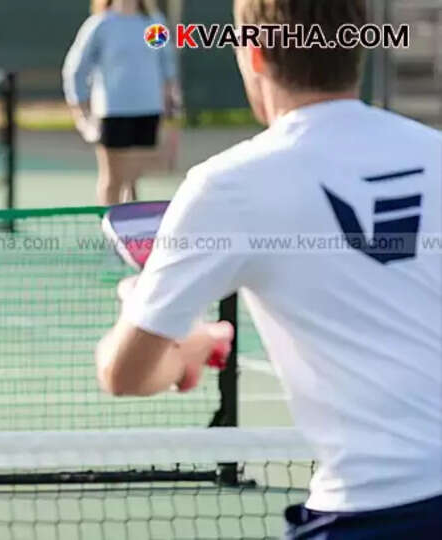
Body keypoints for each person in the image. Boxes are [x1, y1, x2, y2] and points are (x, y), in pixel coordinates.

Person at [95, 0, 441, 538]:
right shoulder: (435, 152)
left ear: (253, 55)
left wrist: (178, 340)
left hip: (373, 513)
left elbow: (124, 372)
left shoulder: (227, 186)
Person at [62, 0, 181, 204]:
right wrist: (81, 111)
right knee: (113, 179)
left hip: (148, 111)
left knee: (132, 178)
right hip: (112, 112)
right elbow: (75, 69)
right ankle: (108, 229)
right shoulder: (100, 24)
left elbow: (166, 64)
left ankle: (130, 228)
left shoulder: (154, 23)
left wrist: (172, 98)